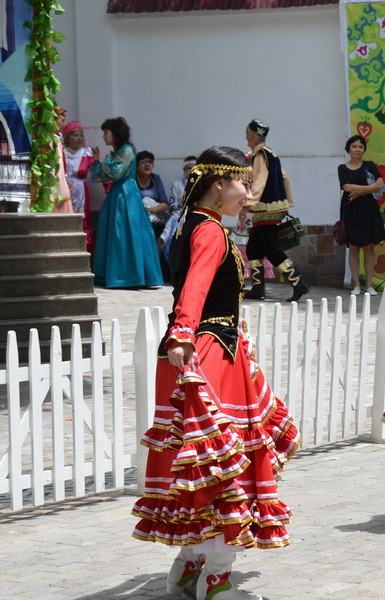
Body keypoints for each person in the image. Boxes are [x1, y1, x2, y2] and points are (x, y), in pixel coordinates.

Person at [131, 146, 300, 600]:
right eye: (244, 183)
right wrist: (185, 333)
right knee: (228, 468)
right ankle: (216, 583)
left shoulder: (198, 226)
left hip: (202, 350)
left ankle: (187, 571)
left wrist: (183, 337)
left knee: (203, 468)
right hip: (208, 354)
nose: (249, 193)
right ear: (220, 184)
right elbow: (196, 285)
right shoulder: (209, 232)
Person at [90, 116, 163, 288]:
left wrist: (104, 161)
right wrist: (96, 161)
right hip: (117, 194)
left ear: (115, 133)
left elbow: (115, 173)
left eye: (106, 133)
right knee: (117, 234)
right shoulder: (117, 153)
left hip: (127, 196)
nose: (103, 137)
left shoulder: (128, 150)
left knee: (127, 233)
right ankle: (118, 275)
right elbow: (99, 175)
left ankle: (131, 276)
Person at [243, 119, 310, 302]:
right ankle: (257, 288)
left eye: (247, 133)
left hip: (264, 208)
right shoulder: (271, 153)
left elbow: (259, 180)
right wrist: (287, 201)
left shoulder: (260, 155)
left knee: (271, 250)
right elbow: (284, 178)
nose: (246, 136)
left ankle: (298, 282)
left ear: (253, 135)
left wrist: (248, 203)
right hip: (270, 208)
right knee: (254, 248)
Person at [338, 135, 385, 295]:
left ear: (364, 149)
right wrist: (369, 189)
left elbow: (379, 184)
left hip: (368, 209)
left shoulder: (370, 165)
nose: (357, 149)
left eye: (360, 147)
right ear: (348, 149)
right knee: (353, 248)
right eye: (354, 146)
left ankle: (369, 285)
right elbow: (346, 187)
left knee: (369, 248)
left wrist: (358, 193)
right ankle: (356, 286)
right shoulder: (343, 168)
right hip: (350, 209)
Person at [62, 120, 95, 253]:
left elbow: (96, 170)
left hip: (81, 192)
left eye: (81, 135)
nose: (79, 138)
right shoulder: (62, 152)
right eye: (76, 135)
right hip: (64, 191)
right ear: (68, 138)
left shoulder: (87, 153)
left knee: (82, 218)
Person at [135, 150, 170, 240]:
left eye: (150, 162)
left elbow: (165, 203)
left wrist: (150, 210)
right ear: (137, 166)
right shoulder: (132, 181)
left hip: (155, 219)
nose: (147, 165)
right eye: (143, 162)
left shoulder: (156, 178)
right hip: (137, 219)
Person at [50, 107, 72, 214]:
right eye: (62, 121)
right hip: (57, 190)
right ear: (53, 120)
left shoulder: (48, 138)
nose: (64, 124)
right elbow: (57, 168)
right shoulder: (54, 139)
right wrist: (61, 191)